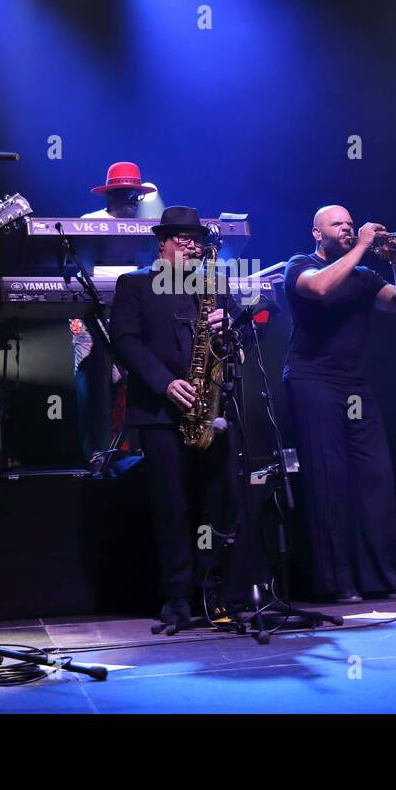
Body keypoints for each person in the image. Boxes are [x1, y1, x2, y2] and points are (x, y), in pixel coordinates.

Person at [109, 206, 242, 626]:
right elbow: (125, 341)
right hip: (160, 412)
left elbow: (238, 343)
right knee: (172, 506)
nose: (190, 246)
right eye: (181, 240)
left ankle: (213, 589)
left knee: (216, 503)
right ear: (161, 243)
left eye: (196, 241)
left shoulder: (213, 288)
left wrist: (228, 332)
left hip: (209, 411)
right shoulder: (135, 285)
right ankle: (177, 597)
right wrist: (166, 383)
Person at [282, 205, 396, 604]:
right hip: (312, 380)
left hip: (355, 385)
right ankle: (336, 581)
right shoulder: (300, 265)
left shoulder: (363, 276)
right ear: (316, 232)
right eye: (337, 224)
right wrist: (360, 246)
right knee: (330, 478)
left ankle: (380, 576)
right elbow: (320, 288)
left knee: (376, 477)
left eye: (350, 224)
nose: (347, 228)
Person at [71, 162, 159, 470]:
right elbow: (83, 268)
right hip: (92, 311)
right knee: (94, 383)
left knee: (130, 383)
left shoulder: (147, 228)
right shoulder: (89, 222)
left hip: (129, 312)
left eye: (136, 196)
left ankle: (127, 455)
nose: (134, 202)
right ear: (112, 196)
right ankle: (96, 454)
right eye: (128, 195)